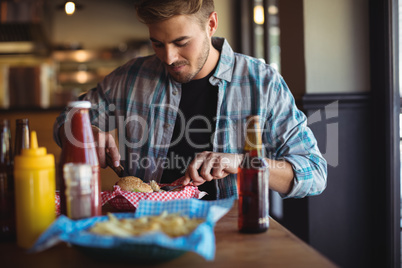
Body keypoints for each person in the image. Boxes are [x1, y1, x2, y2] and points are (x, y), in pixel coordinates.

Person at [53, 0, 327, 200]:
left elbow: (314, 173)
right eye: (157, 43)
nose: (169, 57)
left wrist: (241, 163)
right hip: (145, 231)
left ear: (211, 25)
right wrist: (87, 133)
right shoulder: (130, 76)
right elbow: (65, 122)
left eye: (181, 42)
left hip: (233, 233)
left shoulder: (263, 81)